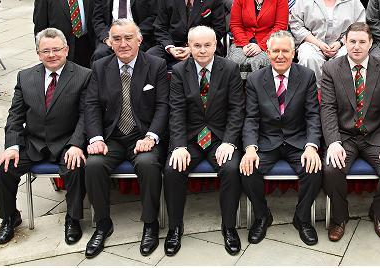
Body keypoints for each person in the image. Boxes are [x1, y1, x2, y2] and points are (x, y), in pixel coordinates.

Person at [0, 28, 90, 245]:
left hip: (67, 141)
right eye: (46, 51)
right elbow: (15, 116)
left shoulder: (84, 75)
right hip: (34, 142)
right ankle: (10, 217)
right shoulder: (25, 77)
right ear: (38, 53)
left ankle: (73, 218)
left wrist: (76, 144)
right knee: (2, 168)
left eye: (57, 49)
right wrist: (12, 146)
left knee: (75, 166)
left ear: (66, 50)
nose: (52, 55)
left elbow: (86, 116)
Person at [84, 19, 168, 258]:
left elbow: (163, 106)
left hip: (142, 135)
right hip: (111, 136)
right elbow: (91, 105)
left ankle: (150, 224)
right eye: (117, 39)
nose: (123, 44)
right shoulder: (100, 67)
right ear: (109, 42)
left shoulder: (156, 65)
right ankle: (102, 224)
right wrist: (96, 138)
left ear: (139, 40)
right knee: (94, 165)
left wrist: (151, 136)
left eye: (128, 38)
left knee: (148, 164)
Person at [164, 26, 245, 256]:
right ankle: (175, 228)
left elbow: (237, 109)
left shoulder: (229, 69)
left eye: (207, 45)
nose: (201, 50)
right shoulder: (180, 71)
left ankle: (229, 227)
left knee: (231, 168)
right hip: (189, 137)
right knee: (172, 169)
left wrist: (230, 141)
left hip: (220, 137)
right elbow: (176, 111)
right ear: (189, 46)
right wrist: (178, 145)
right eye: (196, 45)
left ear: (215, 45)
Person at [320, 22, 380, 241]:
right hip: (344, 136)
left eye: (361, 42)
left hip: (375, 134)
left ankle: (378, 214)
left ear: (371, 43)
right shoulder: (331, 68)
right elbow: (328, 108)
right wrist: (333, 142)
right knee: (331, 170)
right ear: (345, 43)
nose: (356, 47)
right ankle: (340, 218)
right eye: (352, 42)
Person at [240, 31, 322, 246]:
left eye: (285, 50)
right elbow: (251, 118)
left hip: (298, 140)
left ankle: (302, 218)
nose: (280, 55)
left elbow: (313, 114)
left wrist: (312, 146)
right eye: (275, 51)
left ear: (293, 53)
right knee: (248, 169)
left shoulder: (306, 76)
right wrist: (250, 148)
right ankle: (262, 216)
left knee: (314, 169)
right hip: (267, 141)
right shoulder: (255, 80)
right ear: (267, 53)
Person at [290, 0, 365, 85]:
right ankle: (315, 94)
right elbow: (296, 23)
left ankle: (340, 95)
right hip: (313, 43)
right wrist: (318, 44)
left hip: (342, 43)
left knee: (345, 57)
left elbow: (359, 24)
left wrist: (341, 43)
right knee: (308, 57)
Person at [228, 0, 289, 71]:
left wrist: (261, 45)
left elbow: (280, 26)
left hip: (269, 42)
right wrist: (245, 44)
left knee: (257, 63)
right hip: (243, 41)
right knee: (234, 64)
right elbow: (235, 24)